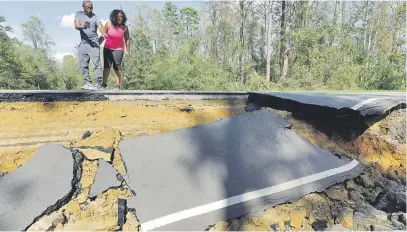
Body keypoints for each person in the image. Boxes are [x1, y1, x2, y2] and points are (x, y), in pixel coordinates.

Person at [74, 0, 107, 90]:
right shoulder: (78, 14)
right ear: (83, 7)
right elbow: (76, 25)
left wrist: (105, 34)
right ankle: (88, 82)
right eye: (87, 7)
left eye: (91, 7)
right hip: (84, 42)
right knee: (83, 63)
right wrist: (83, 26)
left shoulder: (95, 17)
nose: (90, 9)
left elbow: (100, 26)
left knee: (97, 64)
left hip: (93, 43)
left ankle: (98, 84)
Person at [100, 9, 131, 90]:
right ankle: (104, 84)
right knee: (106, 66)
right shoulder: (108, 24)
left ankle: (117, 85)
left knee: (116, 67)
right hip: (107, 48)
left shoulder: (124, 27)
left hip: (118, 49)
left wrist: (128, 50)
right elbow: (103, 35)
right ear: (114, 17)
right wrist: (97, 44)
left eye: (122, 17)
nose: (120, 18)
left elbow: (127, 39)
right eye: (118, 17)